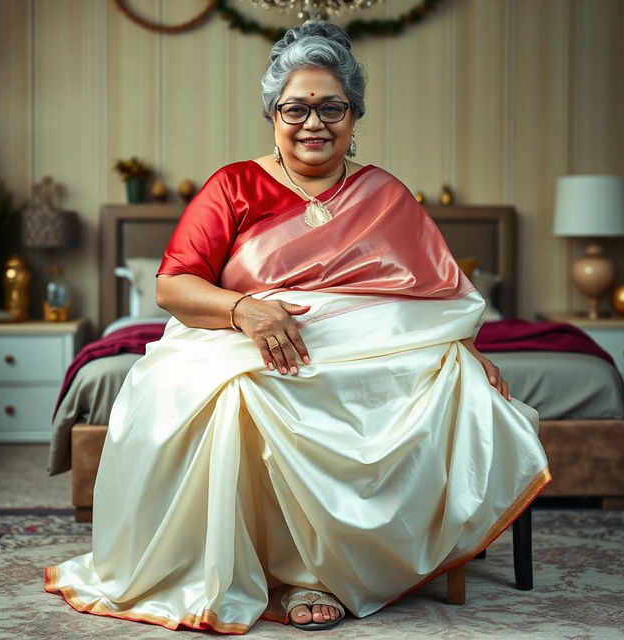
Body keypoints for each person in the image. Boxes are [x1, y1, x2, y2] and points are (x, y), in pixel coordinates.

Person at [45, 21, 550, 634]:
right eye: (296, 108)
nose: (314, 123)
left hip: (367, 353)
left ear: (355, 116)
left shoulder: (386, 195)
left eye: (331, 107)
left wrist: (467, 351)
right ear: (273, 115)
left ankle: (335, 569)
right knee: (240, 393)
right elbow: (172, 286)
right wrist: (245, 309)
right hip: (244, 339)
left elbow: (440, 293)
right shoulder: (234, 185)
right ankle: (274, 570)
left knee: (447, 383)